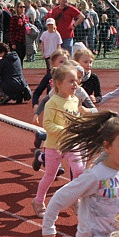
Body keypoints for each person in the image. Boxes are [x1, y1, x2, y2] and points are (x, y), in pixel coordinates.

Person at [31, 64, 89, 217]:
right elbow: (47, 124)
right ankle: (38, 201)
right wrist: (64, 130)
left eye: (76, 80)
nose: (75, 84)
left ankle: (73, 199)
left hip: (72, 144)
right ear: (58, 84)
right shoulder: (53, 102)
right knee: (50, 176)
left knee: (79, 171)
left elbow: (76, 120)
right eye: (71, 81)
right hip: (54, 146)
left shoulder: (76, 100)